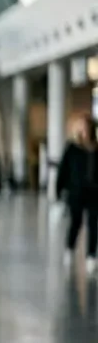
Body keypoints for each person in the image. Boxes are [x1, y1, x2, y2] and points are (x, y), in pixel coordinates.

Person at [56, 114, 98, 272]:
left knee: (94, 225)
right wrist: (59, 191)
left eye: (87, 127)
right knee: (76, 222)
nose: (85, 130)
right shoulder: (72, 148)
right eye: (82, 127)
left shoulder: (96, 148)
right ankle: (69, 248)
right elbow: (63, 171)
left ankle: (91, 256)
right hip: (76, 193)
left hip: (94, 193)